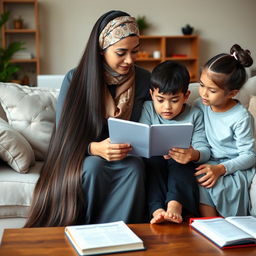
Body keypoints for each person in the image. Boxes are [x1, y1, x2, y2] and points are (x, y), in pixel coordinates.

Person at [24, 10, 151, 227]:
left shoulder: (144, 79)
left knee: (135, 168)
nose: (130, 60)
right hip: (84, 154)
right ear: (101, 50)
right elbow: (64, 133)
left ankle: (123, 235)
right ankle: (94, 234)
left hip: (130, 155)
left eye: (135, 52)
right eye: (121, 53)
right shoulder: (76, 78)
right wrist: (94, 149)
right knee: (93, 168)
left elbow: (154, 123)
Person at [139, 60, 210, 224]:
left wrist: (193, 154)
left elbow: (204, 150)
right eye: (161, 100)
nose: (167, 107)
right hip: (154, 161)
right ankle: (156, 210)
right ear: (151, 95)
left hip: (181, 162)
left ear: (186, 96)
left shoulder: (195, 115)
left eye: (174, 100)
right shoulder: (148, 109)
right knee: (152, 164)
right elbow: (142, 137)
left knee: (181, 164)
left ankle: (174, 206)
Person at [194, 44, 256, 217]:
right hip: (209, 160)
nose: (204, 93)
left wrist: (221, 169)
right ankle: (209, 227)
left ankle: (220, 226)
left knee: (207, 181)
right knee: (196, 175)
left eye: (212, 90)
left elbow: (249, 156)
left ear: (231, 93)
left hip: (233, 166)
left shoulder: (241, 117)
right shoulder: (200, 105)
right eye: (201, 85)